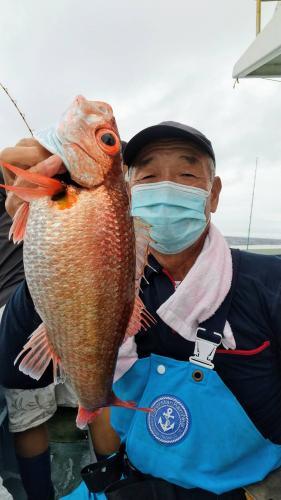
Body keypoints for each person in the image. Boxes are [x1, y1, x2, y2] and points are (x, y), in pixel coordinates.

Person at [1, 122, 281, 500]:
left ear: (213, 195)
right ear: (128, 193)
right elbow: (16, 362)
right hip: (130, 478)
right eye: (148, 175)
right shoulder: (108, 279)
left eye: (186, 174)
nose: (167, 187)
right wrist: (54, 259)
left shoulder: (269, 284)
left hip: (246, 488)